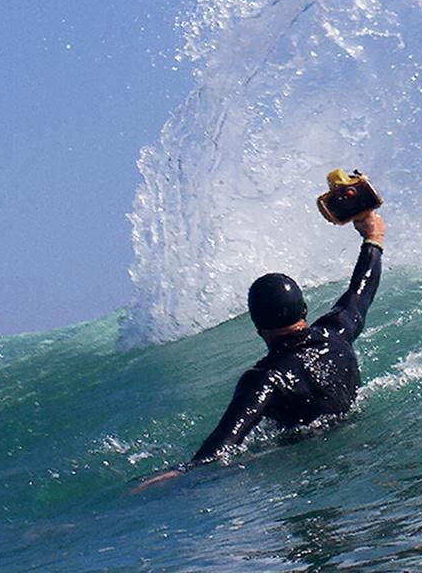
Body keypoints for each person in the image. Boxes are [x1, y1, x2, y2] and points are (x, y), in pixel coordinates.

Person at [132, 209, 386, 490]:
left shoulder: (265, 378)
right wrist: (373, 238)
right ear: (304, 309)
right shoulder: (336, 334)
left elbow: (226, 440)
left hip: (312, 468)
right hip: (360, 440)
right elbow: (360, 291)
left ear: (257, 325)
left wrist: (181, 472)